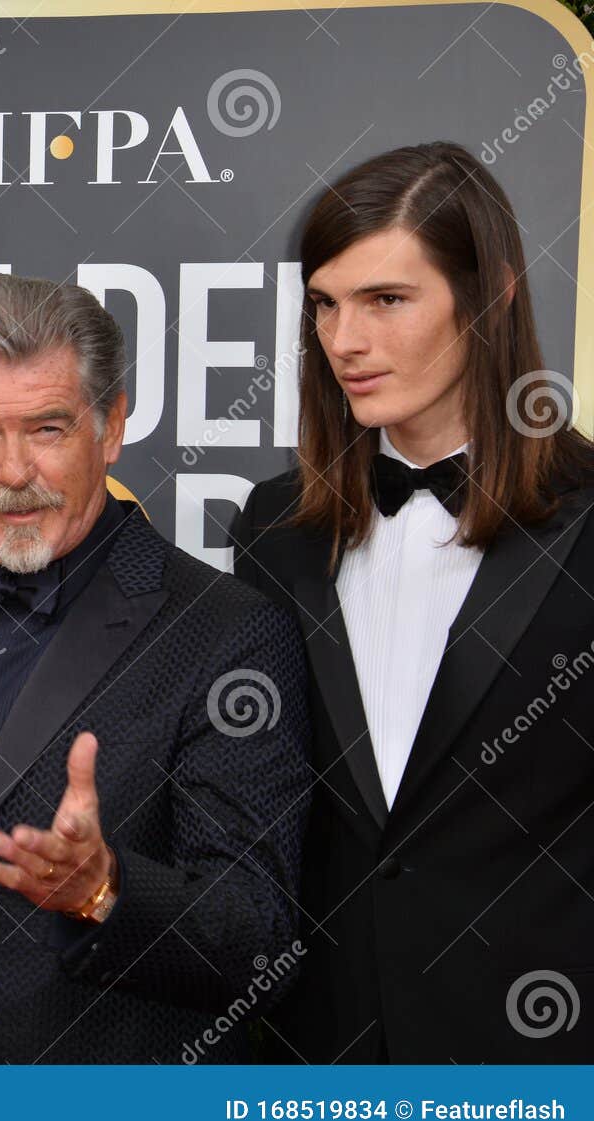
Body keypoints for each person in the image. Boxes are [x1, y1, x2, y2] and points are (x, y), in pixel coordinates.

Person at [0, 273, 312, 1063]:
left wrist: (105, 891)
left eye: (46, 428)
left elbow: (258, 940)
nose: (11, 472)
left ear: (111, 428)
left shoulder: (229, 636)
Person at [229, 142, 594, 1063]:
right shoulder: (275, 531)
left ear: (493, 293)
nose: (345, 341)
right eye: (324, 304)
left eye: (387, 300)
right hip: (322, 1059)